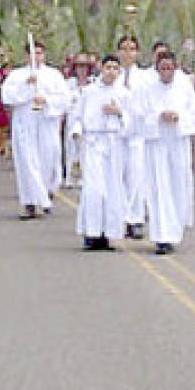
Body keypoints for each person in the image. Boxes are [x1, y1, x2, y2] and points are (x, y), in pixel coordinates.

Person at [138, 50, 195, 254]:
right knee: (159, 188)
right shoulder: (147, 89)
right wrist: (159, 116)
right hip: (157, 144)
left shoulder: (184, 89)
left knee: (176, 187)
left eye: (170, 68)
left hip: (177, 142)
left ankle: (173, 232)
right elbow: (139, 115)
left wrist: (179, 118)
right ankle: (161, 236)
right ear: (157, 69)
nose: (166, 71)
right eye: (162, 68)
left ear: (175, 69)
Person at [1, 38, 70, 219]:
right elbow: (7, 97)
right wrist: (26, 86)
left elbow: (65, 99)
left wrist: (46, 100)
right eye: (32, 54)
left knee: (48, 159)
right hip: (25, 124)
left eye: (39, 53)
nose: (36, 57)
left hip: (47, 123)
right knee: (27, 162)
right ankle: (31, 202)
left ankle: (45, 193)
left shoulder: (54, 75)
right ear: (26, 56)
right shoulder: (16, 75)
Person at [70, 54, 131, 251]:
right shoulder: (88, 92)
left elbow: (134, 121)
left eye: (115, 68)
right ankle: (92, 232)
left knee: (113, 188)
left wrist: (119, 113)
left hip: (114, 142)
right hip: (94, 142)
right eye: (108, 67)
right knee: (94, 188)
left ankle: (111, 232)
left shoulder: (124, 94)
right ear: (101, 69)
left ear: (119, 71)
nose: (111, 71)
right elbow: (77, 116)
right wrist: (77, 131)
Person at [116, 35, 152, 238]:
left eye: (131, 49)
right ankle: (119, 217)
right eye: (123, 49)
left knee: (137, 177)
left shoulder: (145, 78)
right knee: (118, 178)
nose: (127, 53)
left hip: (138, 135)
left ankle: (136, 218)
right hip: (117, 136)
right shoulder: (112, 75)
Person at [63, 54, 96, 188]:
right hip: (72, 119)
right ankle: (70, 176)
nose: (82, 70)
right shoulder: (68, 84)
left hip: (88, 120)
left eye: (85, 66)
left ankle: (85, 176)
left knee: (86, 149)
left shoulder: (94, 83)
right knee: (71, 148)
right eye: (79, 66)